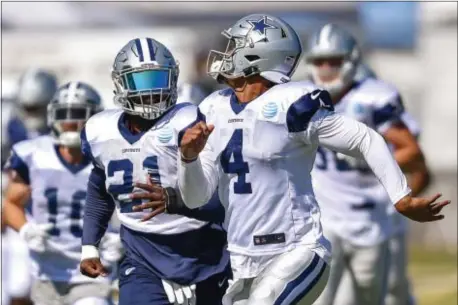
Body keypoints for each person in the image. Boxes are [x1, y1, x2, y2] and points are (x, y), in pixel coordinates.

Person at [163, 14, 449, 305]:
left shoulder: (291, 103)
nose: (226, 54)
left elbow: (366, 139)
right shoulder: (213, 107)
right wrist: (189, 159)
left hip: (296, 250)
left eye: (235, 46)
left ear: (260, 55)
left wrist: (400, 197)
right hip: (242, 257)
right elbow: (196, 196)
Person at [79, 37, 230, 305]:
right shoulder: (100, 132)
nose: (151, 92)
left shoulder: (189, 121)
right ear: (121, 82)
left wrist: (175, 200)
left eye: (158, 80)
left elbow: (221, 198)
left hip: (203, 251)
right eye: (141, 82)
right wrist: (90, 244)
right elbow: (99, 189)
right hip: (142, 254)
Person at [302, 24, 430, 305]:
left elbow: (412, 151)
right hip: (322, 218)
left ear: (350, 61)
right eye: (319, 61)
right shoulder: (300, 97)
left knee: (373, 297)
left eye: (333, 61)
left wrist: (372, 159)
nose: (325, 68)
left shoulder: (373, 96)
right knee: (318, 298)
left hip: (370, 217)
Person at [2, 81, 120, 305]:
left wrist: (122, 237)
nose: (70, 123)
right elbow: (10, 204)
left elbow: (132, 208)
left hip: (92, 272)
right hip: (47, 272)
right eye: (63, 115)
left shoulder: (110, 157)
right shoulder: (32, 154)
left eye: (77, 115)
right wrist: (26, 229)